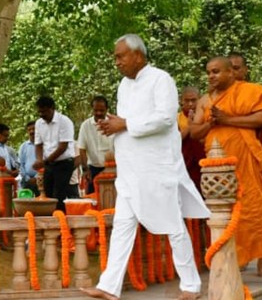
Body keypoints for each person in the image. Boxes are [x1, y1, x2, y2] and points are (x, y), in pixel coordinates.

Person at [83, 34, 209, 300]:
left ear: (138, 55)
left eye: (121, 56)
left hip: (157, 169)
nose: (116, 61)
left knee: (173, 226)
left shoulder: (161, 79)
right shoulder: (123, 86)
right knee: (122, 226)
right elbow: (124, 122)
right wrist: (114, 126)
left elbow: (164, 118)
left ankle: (191, 286)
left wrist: (125, 124)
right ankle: (109, 286)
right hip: (130, 171)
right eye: (115, 56)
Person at [189, 56, 262, 283]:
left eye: (216, 71)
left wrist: (227, 119)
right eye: (209, 72)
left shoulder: (250, 90)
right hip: (216, 165)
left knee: (254, 208)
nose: (211, 76)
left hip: (244, 159)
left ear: (231, 74)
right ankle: (234, 258)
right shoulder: (205, 100)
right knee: (225, 212)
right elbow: (194, 132)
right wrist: (212, 123)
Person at [33, 95, 78, 208]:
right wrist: (39, 160)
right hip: (49, 164)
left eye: (44, 112)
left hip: (64, 163)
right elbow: (38, 144)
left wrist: (45, 161)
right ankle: (51, 220)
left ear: (52, 108)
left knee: (58, 194)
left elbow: (63, 147)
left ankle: (60, 220)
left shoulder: (64, 121)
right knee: (47, 193)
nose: (42, 115)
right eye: (39, 112)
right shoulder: (39, 123)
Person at [76, 95, 114, 194]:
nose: (99, 113)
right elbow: (82, 149)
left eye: (102, 110)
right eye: (96, 110)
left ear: (107, 109)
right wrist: (85, 170)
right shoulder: (85, 126)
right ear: (92, 109)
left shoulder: (113, 123)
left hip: (112, 169)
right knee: (93, 199)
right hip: (93, 169)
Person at [178, 86, 205, 193]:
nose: (190, 104)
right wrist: (189, 127)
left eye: (193, 100)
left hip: (204, 163)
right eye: (187, 100)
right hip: (185, 165)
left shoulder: (205, 116)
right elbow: (174, 141)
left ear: (200, 99)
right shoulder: (177, 118)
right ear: (181, 101)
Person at [17, 120, 39, 193]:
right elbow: (20, 164)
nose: (32, 131)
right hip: (26, 181)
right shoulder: (23, 146)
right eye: (29, 130)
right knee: (26, 202)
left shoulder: (43, 146)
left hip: (40, 179)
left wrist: (36, 177)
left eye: (34, 129)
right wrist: (27, 178)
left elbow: (45, 163)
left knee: (41, 203)